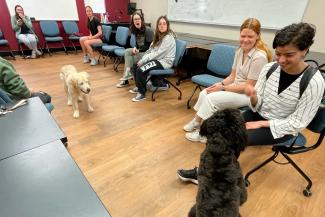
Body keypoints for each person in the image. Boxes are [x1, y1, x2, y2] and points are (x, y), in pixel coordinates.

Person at [177, 22, 325, 185]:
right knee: (218, 129)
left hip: (281, 128)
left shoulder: (314, 82)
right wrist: (254, 97)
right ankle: (214, 170)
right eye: (278, 53)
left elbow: (298, 123)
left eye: (289, 55)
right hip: (259, 114)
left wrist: (262, 124)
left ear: (304, 51)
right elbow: (257, 103)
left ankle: (206, 175)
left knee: (231, 138)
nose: (281, 60)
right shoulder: (270, 68)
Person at [183, 18, 272, 143]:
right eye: (243, 36)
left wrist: (223, 88)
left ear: (257, 36)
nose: (245, 40)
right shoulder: (240, 51)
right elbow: (232, 76)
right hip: (236, 88)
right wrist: (219, 84)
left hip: (249, 95)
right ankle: (197, 123)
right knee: (206, 92)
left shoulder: (259, 57)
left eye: (250, 36)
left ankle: (204, 133)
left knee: (211, 99)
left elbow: (248, 86)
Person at [129, 15, 176, 102]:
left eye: (164, 24)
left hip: (164, 62)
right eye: (160, 24)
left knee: (141, 70)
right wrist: (142, 59)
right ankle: (139, 86)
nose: (162, 26)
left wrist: (144, 60)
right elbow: (150, 49)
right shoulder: (158, 36)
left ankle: (142, 93)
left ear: (167, 25)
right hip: (158, 60)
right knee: (136, 65)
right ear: (157, 26)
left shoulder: (168, 37)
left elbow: (158, 54)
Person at [116, 12, 154, 88]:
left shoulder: (148, 30)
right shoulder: (136, 30)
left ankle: (126, 80)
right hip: (140, 51)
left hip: (148, 53)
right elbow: (137, 44)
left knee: (131, 58)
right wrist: (135, 48)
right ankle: (127, 74)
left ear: (141, 20)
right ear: (133, 22)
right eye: (135, 19)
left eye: (138, 19)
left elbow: (150, 47)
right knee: (127, 51)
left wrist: (138, 50)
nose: (137, 21)